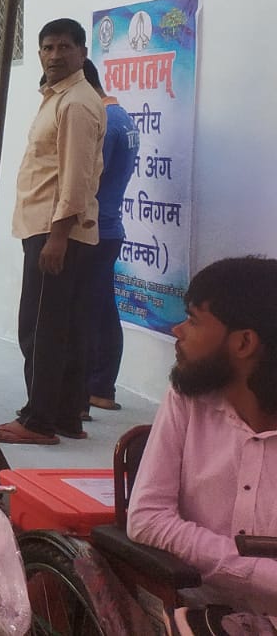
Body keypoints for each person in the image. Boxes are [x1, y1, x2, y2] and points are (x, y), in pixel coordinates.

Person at [126, 257, 277, 621]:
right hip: (192, 610)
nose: (177, 330)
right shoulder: (187, 397)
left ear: (243, 343)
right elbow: (146, 518)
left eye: (193, 321)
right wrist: (256, 573)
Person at [0, 18, 107, 446]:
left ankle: (39, 420)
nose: (55, 55)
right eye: (48, 47)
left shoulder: (75, 103)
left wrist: (57, 237)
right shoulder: (59, 97)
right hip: (52, 229)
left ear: (82, 52)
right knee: (66, 328)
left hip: (54, 231)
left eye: (64, 47)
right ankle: (65, 415)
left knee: (40, 328)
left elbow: (75, 178)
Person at [85, 58, 140, 415]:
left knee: (93, 311)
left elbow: (89, 179)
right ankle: (101, 386)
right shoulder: (124, 118)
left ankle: (97, 386)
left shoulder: (104, 122)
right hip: (109, 226)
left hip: (95, 229)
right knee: (103, 307)